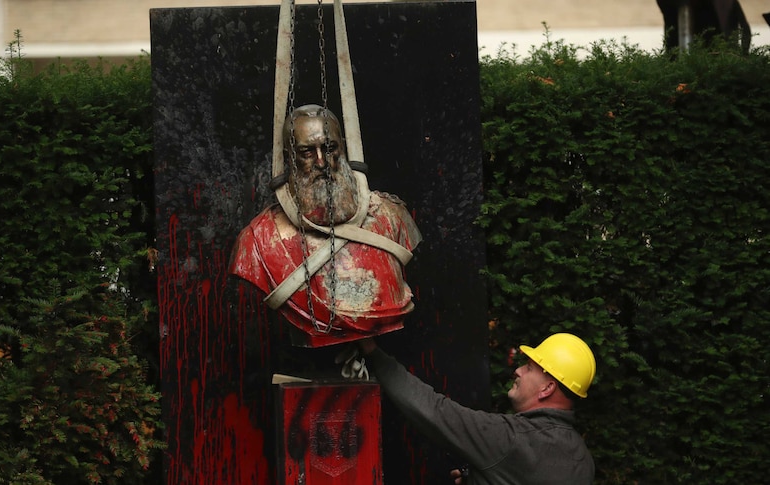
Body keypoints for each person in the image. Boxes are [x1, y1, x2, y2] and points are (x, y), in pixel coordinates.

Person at [229, 105, 421, 347]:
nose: (322, 162)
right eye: (307, 152)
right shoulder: (258, 242)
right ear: (290, 158)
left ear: (342, 148)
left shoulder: (393, 216)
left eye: (329, 149)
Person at [356, 333, 597, 484]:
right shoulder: (583, 460)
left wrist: (372, 352)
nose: (518, 370)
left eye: (529, 367)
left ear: (547, 388)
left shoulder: (510, 439)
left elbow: (434, 411)